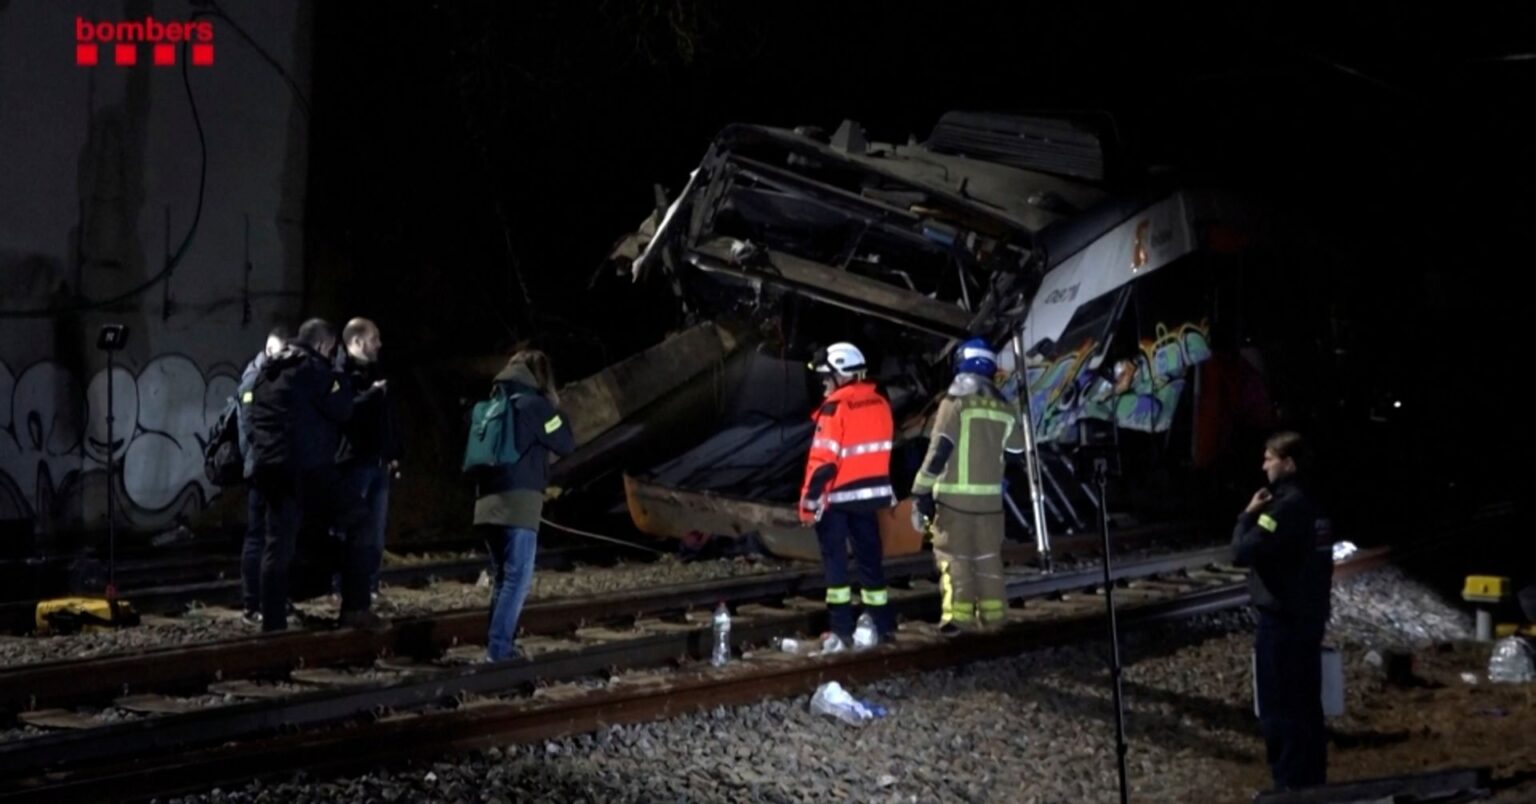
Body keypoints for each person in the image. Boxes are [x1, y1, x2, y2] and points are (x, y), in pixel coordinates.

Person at [1231, 431, 1334, 791]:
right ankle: (1311, 782)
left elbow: (1242, 551)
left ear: (1287, 463)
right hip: (1309, 617)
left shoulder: (1283, 508)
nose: (1263, 465)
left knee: (1280, 709)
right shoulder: (1314, 504)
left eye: (1269, 458)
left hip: (1282, 621)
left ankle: (1289, 786)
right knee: (1307, 706)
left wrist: (1247, 515)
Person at [909, 338, 1025, 635]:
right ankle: (994, 618)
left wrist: (920, 490)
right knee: (988, 559)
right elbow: (1016, 450)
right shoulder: (1005, 407)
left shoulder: (954, 402)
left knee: (954, 558)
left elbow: (939, 451)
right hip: (990, 504)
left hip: (954, 502)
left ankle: (957, 619)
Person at [248, 318, 353, 632]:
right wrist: (340, 376)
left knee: (275, 545)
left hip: (267, 466)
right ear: (323, 344)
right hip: (302, 468)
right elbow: (342, 409)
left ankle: (273, 623)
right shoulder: (313, 369)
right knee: (358, 518)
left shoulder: (269, 370)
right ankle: (356, 605)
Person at [471, 349, 574, 661]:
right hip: (520, 503)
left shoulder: (490, 405)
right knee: (517, 579)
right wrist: (557, 410)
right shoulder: (536, 405)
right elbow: (566, 443)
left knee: (502, 577)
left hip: (486, 502)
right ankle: (500, 651)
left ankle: (497, 645)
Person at [798, 341, 896, 650]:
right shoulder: (880, 403)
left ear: (841, 374)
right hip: (869, 499)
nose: (824, 383)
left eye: (827, 376)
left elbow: (823, 464)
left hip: (836, 500)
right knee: (870, 562)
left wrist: (808, 505)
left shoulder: (835, 409)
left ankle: (841, 629)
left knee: (836, 566)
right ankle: (882, 624)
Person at [334, 317, 402, 626]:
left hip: (377, 463)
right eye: (374, 338)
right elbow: (343, 414)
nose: (379, 344)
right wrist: (371, 395)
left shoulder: (378, 374)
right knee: (353, 532)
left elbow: (388, 420)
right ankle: (346, 590)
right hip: (355, 464)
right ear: (358, 342)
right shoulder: (340, 374)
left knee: (374, 534)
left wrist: (394, 454)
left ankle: (367, 588)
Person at [235, 325, 290, 625]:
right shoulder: (253, 381)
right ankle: (251, 603)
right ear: (271, 350)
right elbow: (249, 427)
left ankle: (269, 599)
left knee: (271, 537)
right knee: (258, 537)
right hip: (259, 468)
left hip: (267, 466)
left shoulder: (264, 376)